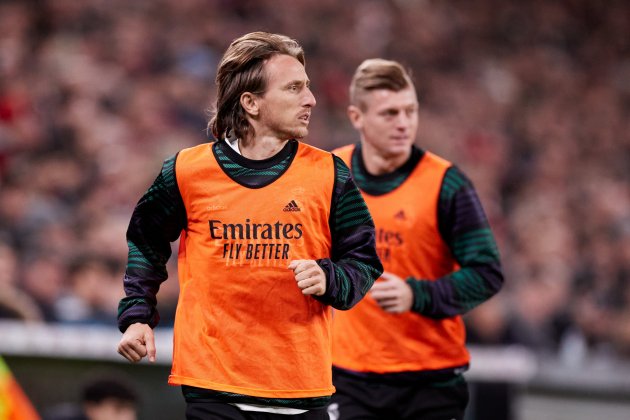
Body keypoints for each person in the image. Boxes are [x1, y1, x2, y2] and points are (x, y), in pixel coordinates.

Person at [116, 32, 382, 420]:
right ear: (251, 102)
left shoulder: (329, 174)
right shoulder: (188, 171)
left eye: (307, 87)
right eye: (294, 88)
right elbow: (145, 238)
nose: (311, 99)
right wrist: (138, 315)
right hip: (213, 388)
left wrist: (332, 279)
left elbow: (364, 258)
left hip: (299, 387)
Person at [328, 58, 504, 420]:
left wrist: (417, 295)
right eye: (390, 113)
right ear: (357, 117)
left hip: (429, 382)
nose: (404, 123)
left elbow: (487, 272)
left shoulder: (447, 184)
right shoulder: (329, 175)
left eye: (411, 110)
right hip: (344, 376)